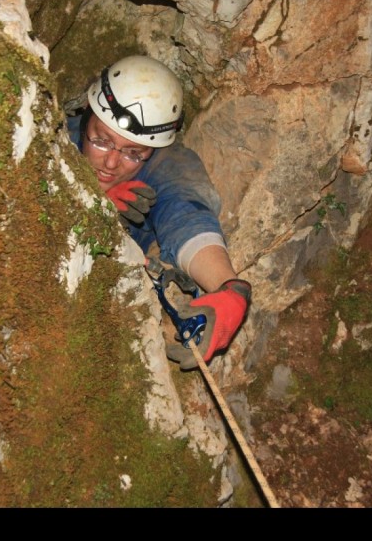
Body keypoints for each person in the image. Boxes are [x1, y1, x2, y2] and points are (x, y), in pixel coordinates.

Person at [67, 55, 251, 370]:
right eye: (101, 141)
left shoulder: (166, 164)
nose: (111, 164)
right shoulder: (50, 135)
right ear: (86, 112)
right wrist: (91, 199)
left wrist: (231, 288)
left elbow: (185, 215)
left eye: (132, 153)